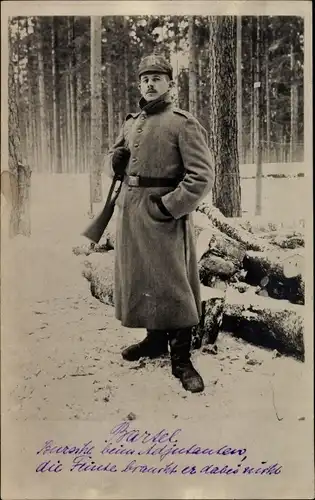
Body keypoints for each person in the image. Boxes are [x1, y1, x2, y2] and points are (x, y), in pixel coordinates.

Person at [104, 54, 214, 393]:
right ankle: (154, 340)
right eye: (145, 78)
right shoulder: (131, 122)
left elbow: (201, 176)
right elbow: (115, 168)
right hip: (131, 213)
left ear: (170, 84)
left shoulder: (183, 123)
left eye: (157, 78)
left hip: (163, 215)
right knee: (140, 278)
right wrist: (114, 162)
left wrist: (169, 207)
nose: (150, 83)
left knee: (173, 282)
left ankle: (181, 357)